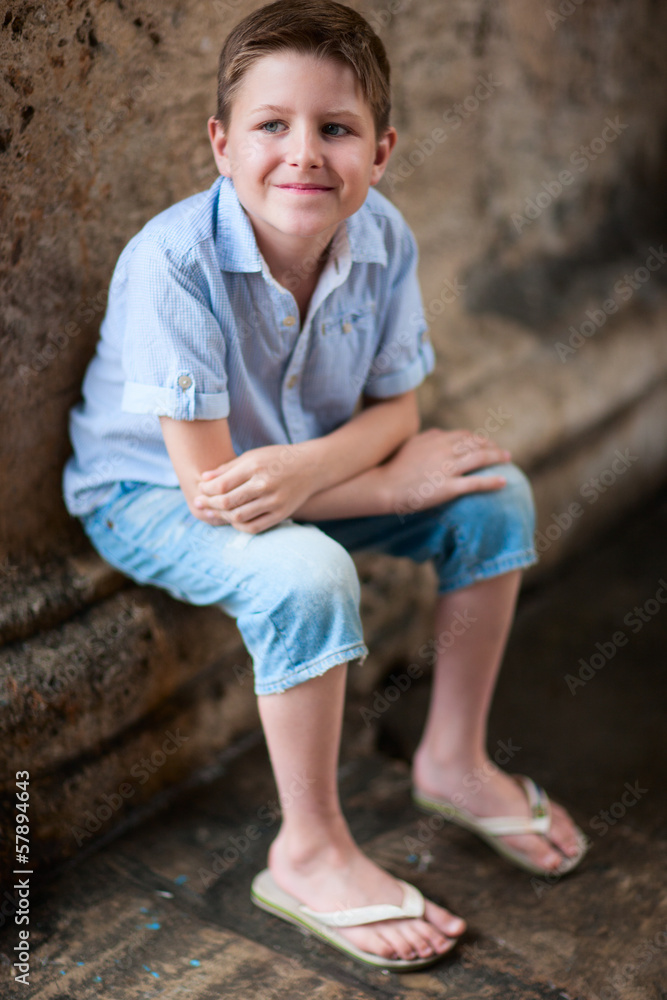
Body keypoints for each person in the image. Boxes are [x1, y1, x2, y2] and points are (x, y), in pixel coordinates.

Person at [62, 0, 588, 971]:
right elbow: (215, 490)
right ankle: (305, 851)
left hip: (298, 466)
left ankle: (452, 759)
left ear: (380, 151)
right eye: (272, 125)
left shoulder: (381, 238)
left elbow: (398, 408)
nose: (303, 152)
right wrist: (385, 489)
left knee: (493, 493)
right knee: (307, 576)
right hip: (157, 495)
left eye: (335, 128)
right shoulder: (171, 266)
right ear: (221, 144)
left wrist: (336, 464)